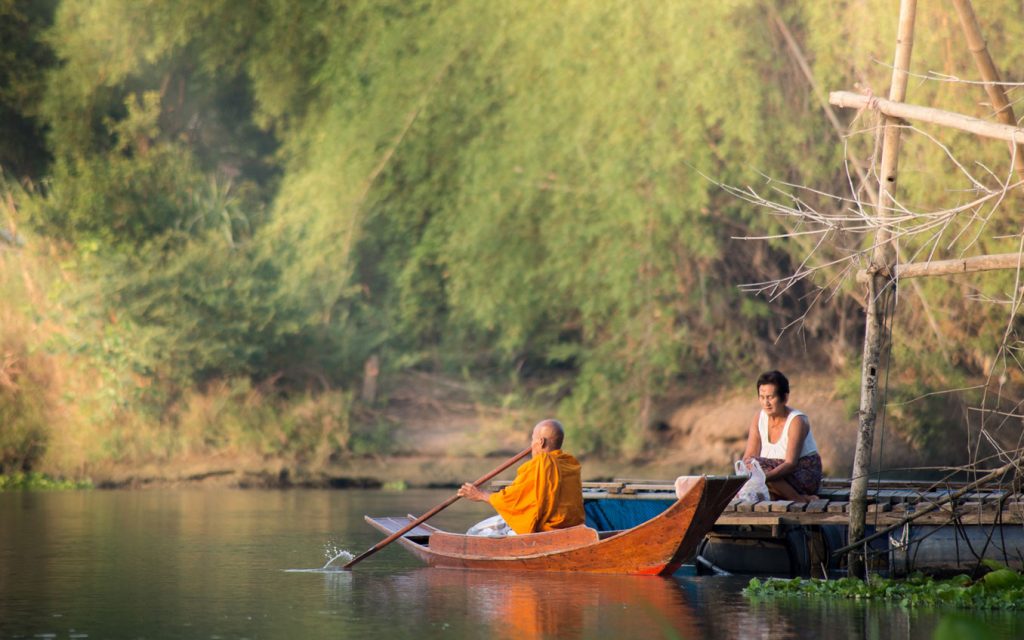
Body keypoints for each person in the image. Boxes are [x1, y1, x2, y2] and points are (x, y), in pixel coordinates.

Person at [458, 419, 585, 535]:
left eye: (533, 439)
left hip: (544, 529)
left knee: (474, 532)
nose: (531, 444)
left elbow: (513, 500)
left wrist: (480, 495)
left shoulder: (539, 465)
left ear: (540, 442)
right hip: (569, 527)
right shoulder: (570, 463)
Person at [741, 370, 822, 503]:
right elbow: (748, 457)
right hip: (773, 477)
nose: (766, 403)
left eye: (770, 397)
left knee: (757, 467)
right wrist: (754, 477)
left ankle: (799, 499)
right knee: (749, 466)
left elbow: (790, 464)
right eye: (762, 397)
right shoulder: (759, 418)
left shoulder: (796, 421)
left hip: (801, 475)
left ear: (784, 398)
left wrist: (763, 478)